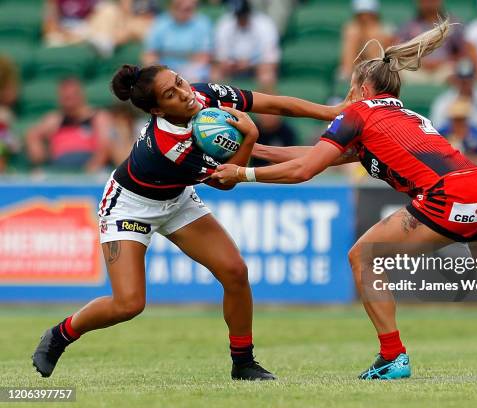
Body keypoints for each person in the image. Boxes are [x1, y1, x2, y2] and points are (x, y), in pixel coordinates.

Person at [212, 21, 477, 380]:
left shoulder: (358, 114)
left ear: (363, 89)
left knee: (363, 257)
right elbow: (313, 156)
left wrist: (242, 174)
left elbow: (304, 171)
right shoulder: (402, 116)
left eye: (351, 87)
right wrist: (255, 148)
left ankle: (393, 356)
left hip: (449, 195)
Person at [31, 64, 345, 380]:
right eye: (172, 94)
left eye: (179, 82)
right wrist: (249, 137)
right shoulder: (170, 146)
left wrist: (333, 112)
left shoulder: (201, 95)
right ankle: (60, 335)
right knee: (129, 304)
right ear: (157, 109)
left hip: (175, 197)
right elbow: (226, 181)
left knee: (235, 272)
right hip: (130, 207)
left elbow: (274, 104)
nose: (185, 94)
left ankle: (243, 363)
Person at [25, 77, 112, 172]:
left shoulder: (98, 116)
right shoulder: (55, 119)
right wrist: (36, 149)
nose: (69, 102)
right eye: (66, 97)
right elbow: (33, 134)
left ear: (81, 95)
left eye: (72, 96)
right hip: (59, 167)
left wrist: (91, 169)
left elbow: (105, 146)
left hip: (89, 165)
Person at [430, 59, 477, 139]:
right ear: (455, 79)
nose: (465, 83)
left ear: (475, 78)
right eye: (462, 79)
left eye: (468, 78)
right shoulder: (443, 101)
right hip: (450, 146)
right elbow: (435, 132)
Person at [213, 0, 280, 88]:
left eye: (243, 16)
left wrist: (249, 64)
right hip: (233, 67)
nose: (241, 19)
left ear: (249, 13)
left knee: (267, 74)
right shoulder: (225, 23)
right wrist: (231, 64)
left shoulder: (265, 24)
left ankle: (264, 101)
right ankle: (224, 101)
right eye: (239, 16)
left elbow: (272, 60)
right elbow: (220, 58)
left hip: (257, 66)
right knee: (215, 73)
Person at [395, 0, 464, 84]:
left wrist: (443, 61)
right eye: (424, 1)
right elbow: (399, 51)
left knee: (458, 72)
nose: (428, 3)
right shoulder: (409, 26)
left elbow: (462, 52)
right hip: (417, 68)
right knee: (398, 72)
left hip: (443, 69)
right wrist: (418, 60)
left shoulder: (453, 24)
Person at [143, 0, 213, 82]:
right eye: (179, 6)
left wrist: (180, 72)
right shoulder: (160, 22)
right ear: (172, 6)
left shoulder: (203, 23)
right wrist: (162, 72)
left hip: (192, 71)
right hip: (164, 69)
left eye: (187, 8)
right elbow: (149, 55)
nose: (182, 10)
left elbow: (204, 57)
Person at [339, 0, 393, 80]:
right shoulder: (351, 31)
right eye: (361, 16)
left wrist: (373, 40)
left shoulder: (386, 30)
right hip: (353, 74)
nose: (365, 19)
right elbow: (347, 68)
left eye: (368, 15)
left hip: (379, 75)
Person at [437, 98, 477, 170]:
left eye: (462, 119)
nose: (459, 123)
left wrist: (467, 158)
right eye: (456, 119)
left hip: (473, 173)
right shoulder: (442, 134)